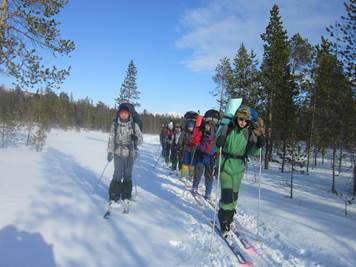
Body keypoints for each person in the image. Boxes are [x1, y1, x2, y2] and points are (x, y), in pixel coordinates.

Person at [215, 106, 265, 237]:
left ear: (248, 120)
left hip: (239, 168)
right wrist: (218, 141)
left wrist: (259, 145)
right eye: (240, 118)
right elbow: (216, 144)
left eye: (245, 119)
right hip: (225, 164)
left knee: (234, 196)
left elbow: (252, 152)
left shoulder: (250, 133)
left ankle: (230, 217)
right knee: (226, 195)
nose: (242, 121)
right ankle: (223, 220)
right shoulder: (228, 128)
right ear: (236, 117)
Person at [107, 103, 143, 208]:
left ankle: (126, 195)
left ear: (129, 114)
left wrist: (135, 139)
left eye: (125, 113)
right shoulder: (115, 124)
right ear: (119, 114)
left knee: (127, 175)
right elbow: (111, 139)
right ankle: (114, 196)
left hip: (130, 153)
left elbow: (140, 141)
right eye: (122, 113)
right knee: (117, 174)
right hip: (118, 152)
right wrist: (110, 152)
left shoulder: (134, 125)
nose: (123, 115)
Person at [191, 118, 218, 200]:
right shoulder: (202, 133)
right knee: (198, 173)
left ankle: (208, 192)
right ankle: (194, 187)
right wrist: (198, 145)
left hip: (210, 159)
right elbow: (196, 141)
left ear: (212, 127)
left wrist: (200, 147)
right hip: (201, 157)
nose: (206, 127)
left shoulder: (215, 136)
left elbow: (213, 149)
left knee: (209, 176)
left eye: (208, 125)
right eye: (206, 125)